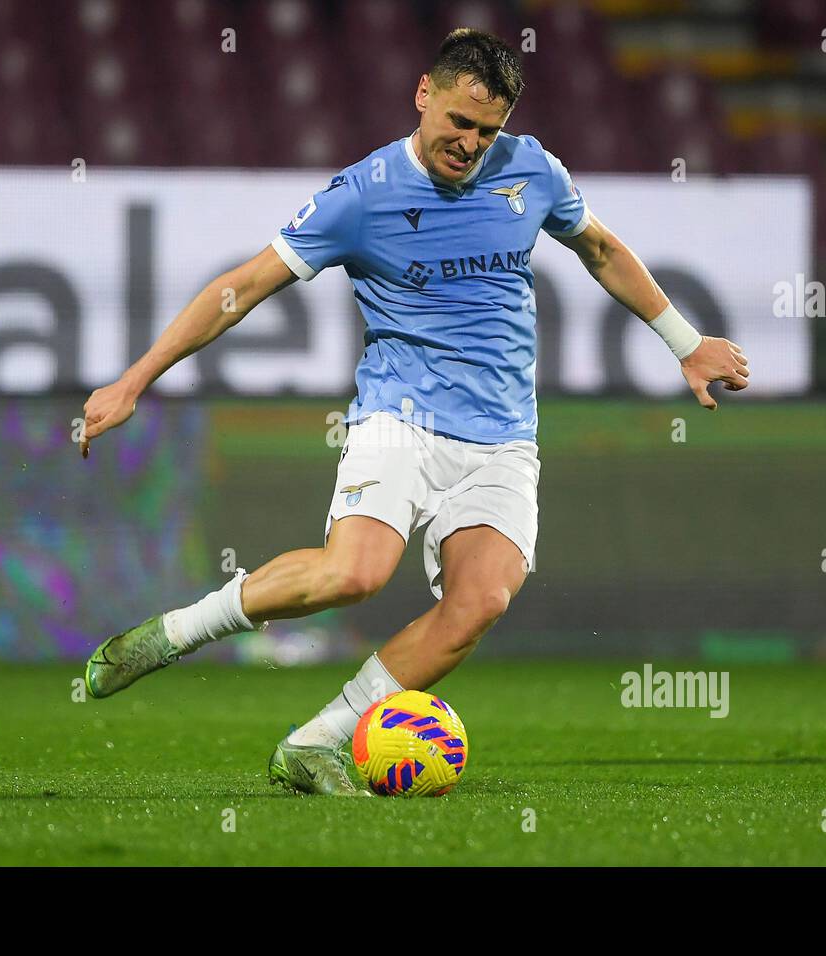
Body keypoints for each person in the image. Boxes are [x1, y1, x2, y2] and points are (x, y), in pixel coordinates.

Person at [78, 28, 750, 795]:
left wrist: (685, 342)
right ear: (424, 94)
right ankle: (171, 635)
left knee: (480, 603)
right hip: (401, 418)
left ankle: (315, 742)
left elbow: (598, 249)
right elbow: (246, 285)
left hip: (504, 438)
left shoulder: (531, 171)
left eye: (486, 131)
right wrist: (136, 380)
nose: (469, 143)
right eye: (458, 123)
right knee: (353, 575)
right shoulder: (361, 195)